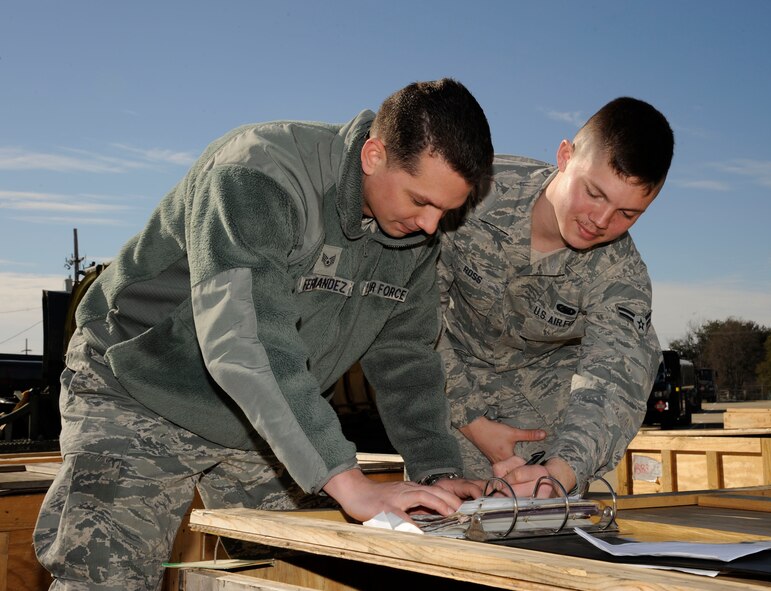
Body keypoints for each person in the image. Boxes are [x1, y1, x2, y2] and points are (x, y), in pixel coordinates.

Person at [34, 78, 493, 590]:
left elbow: (406, 358)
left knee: (306, 573)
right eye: (421, 201)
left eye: (445, 212)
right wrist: (348, 482)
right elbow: (246, 340)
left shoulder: (413, 233)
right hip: (140, 388)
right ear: (373, 154)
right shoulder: (258, 174)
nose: (432, 227)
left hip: (261, 421)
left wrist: (437, 470)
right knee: (106, 578)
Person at [437, 97, 673, 497]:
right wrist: (468, 420)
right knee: (440, 534)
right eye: (594, 193)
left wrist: (562, 472)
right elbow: (409, 313)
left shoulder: (620, 274)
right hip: (444, 386)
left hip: (547, 418)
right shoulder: (473, 192)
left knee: (550, 537)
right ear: (565, 156)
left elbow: (615, 379)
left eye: (627, 214)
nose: (600, 221)